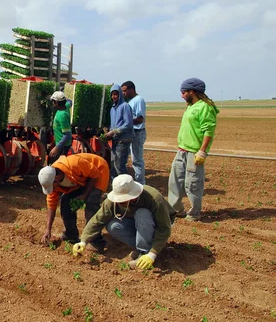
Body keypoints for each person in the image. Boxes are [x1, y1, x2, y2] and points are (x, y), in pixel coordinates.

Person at [73, 174, 174, 270]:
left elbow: (164, 228)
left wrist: (152, 254)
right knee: (113, 226)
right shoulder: (112, 202)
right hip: (136, 222)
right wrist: (83, 241)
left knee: (142, 214)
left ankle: (146, 253)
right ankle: (145, 247)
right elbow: (97, 220)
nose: (121, 202)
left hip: (154, 222)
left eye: (124, 199)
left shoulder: (153, 198)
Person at [168, 78, 219, 221]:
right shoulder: (190, 106)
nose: (182, 95)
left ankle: (195, 212)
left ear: (192, 91)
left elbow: (208, 131)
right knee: (174, 181)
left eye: (184, 92)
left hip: (194, 152)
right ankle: (176, 209)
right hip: (182, 150)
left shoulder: (205, 107)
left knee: (193, 183)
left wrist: (202, 151)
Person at [38, 153, 110, 251]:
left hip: (98, 170)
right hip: (81, 179)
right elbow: (51, 204)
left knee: (91, 202)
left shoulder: (74, 164)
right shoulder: (52, 180)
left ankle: (96, 241)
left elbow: (95, 174)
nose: (53, 189)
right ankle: (70, 235)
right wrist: (48, 229)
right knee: (65, 201)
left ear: (57, 178)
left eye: (52, 186)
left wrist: (84, 195)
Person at [105, 84, 134, 179]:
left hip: (123, 140)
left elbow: (128, 124)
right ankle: (116, 188)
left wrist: (114, 131)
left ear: (120, 94)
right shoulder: (112, 109)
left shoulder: (125, 106)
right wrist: (109, 132)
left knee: (119, 166)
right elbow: (113, 124)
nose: (114, 96)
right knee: (113, 165)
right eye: (112, 94)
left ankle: (125, 188)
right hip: (115, 140)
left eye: (116, 94)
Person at [121, 81, 146, 184]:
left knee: (137, 160)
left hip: (137, 132)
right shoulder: (130, 101)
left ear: (132, 89)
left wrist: (126, 123)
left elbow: (140, 119)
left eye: (125, 91)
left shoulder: (138, 100)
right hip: (131, 132)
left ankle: (141, 184)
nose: (123, 93)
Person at [48, 91, 72, 165]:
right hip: (60, 144)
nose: (52, 103)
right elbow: (70, 101)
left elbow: (67, 134)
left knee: (57, 166)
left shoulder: (62, 116)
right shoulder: (66, 106)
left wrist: (57, 148)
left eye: (53, 101)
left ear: (56, 103)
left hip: (62, 146)